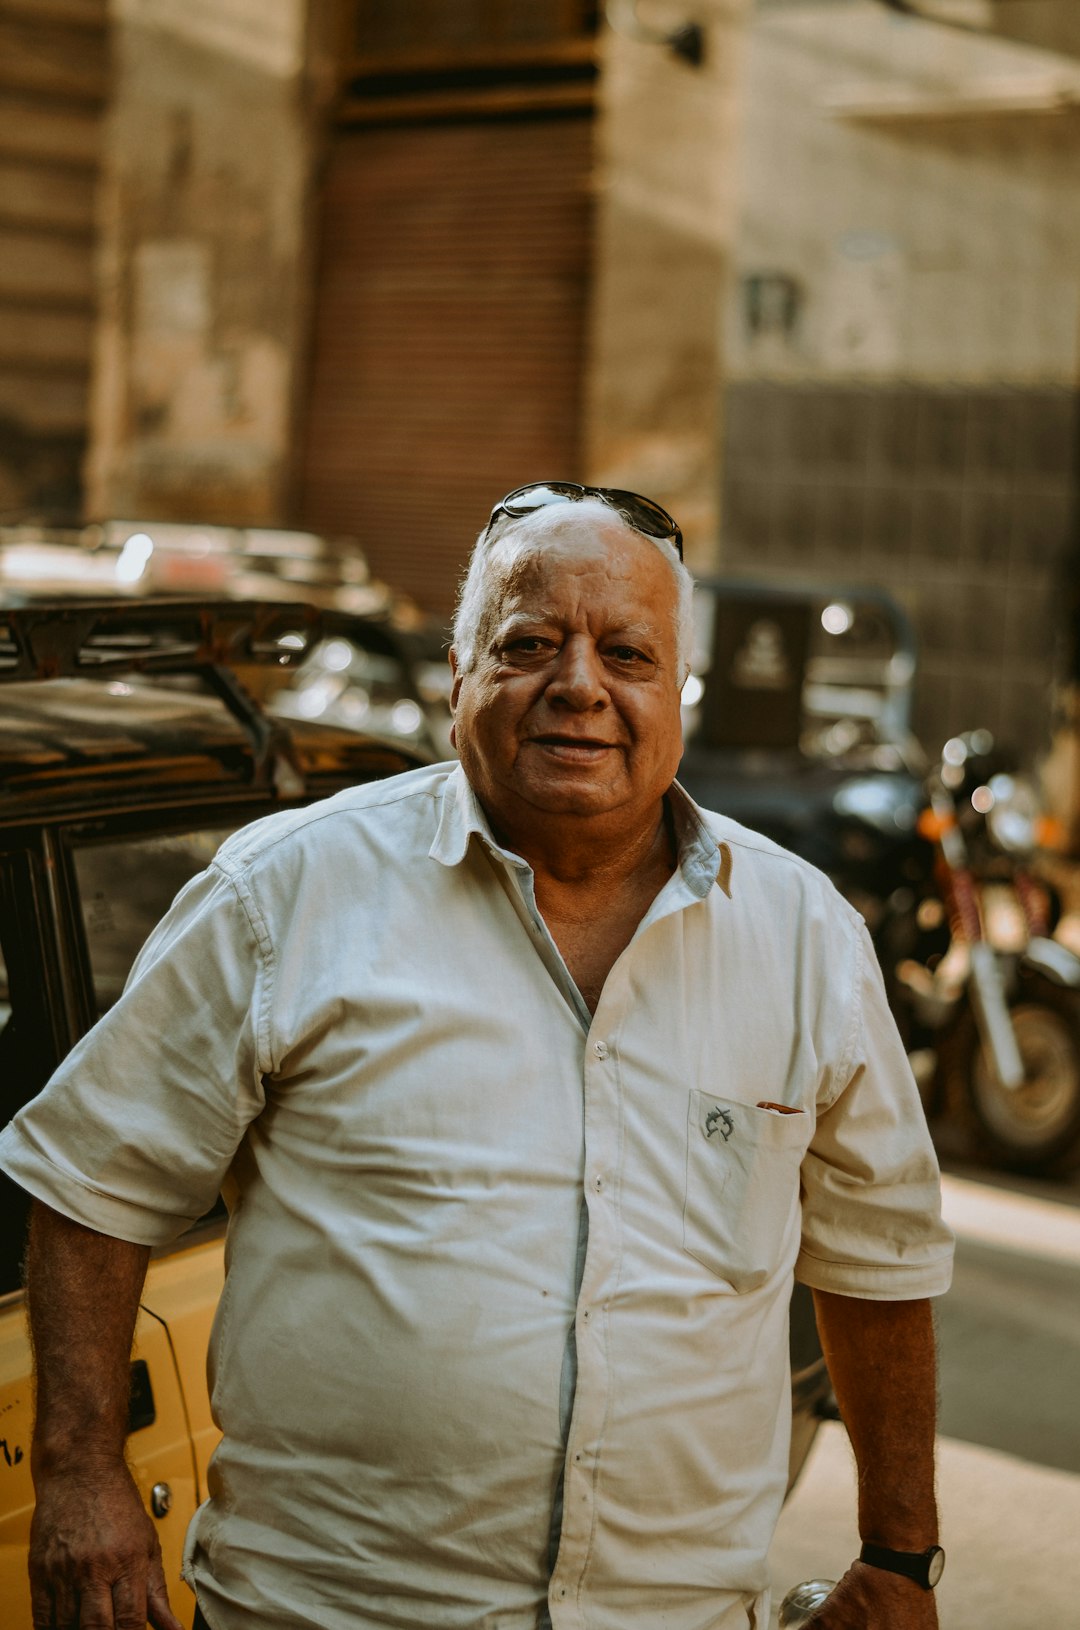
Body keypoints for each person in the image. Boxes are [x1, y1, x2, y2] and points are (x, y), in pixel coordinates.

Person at [0, 481, 953, 1630]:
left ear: (679, 693)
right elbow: (89, 1179)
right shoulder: (287, 893)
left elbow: (881, 1256)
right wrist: (80, 1473)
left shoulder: (807, 940)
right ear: (458, 675)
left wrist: (900, 1552)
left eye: (628, 653)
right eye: (530, 643)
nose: (580, 686)